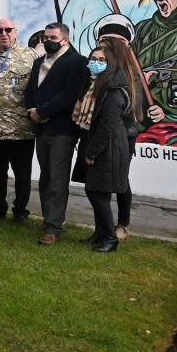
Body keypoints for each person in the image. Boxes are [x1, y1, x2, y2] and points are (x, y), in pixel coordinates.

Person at [24, 22, 88, 245]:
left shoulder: (77, 62)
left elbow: (69, 94)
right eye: (45, 37)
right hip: (41, 129)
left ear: (65, 39)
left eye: (53, 37)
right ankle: (47, 219)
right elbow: (30, 90)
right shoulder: (38, 62)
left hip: (62, 130)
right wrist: (33, 111)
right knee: (46, 176)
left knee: (58, 180)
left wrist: (42, 111)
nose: (47, 41)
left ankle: (54, 228)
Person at [77, 45, 139, 252]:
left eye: (101, 60)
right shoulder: (95, 85)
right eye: (93, 58)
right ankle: (100, 233)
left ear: (110, 64)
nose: (96, 62)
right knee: (97, 191)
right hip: (102, 143)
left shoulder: (112, 90)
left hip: (109, 147)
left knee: (96, 192)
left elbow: (108, 126)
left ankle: (110, 238)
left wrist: (93, 151)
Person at [0, 19, 39, 222]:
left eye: (8, 30)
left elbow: (38, 87)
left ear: (16, 32)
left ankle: (20, 210)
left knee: (22, 174)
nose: (3, 33)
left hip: (20, 128)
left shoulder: (30, 55)